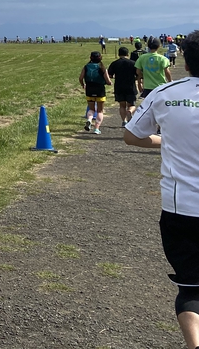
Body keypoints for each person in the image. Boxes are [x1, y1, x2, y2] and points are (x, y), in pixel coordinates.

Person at [125, 30, 199, 349]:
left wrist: (161, 139)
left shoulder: (166, 94)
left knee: (191, 289)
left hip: (180, 208)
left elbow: (131, 135)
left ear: (184, 60)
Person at [79, 51, 111, 134]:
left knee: (91, 109)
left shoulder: (86, 67)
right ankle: (97, 128)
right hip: (100, 90)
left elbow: (80, 78)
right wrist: (109, 83)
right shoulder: (102, 68)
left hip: (89, 89)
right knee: (100, 111)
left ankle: (89, 120)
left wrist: (83, 84)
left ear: (91, 58)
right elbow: (108, 81)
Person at [108, 46, 139, 127]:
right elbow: (138, 74)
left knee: (122, 105)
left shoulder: (115, 63)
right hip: (130, 86)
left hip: (119, 86)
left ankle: (124, 121)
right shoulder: (133, 63)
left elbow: (110, 75)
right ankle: (129, 112)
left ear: (119, 54)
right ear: (128, 54)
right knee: (131, 105)